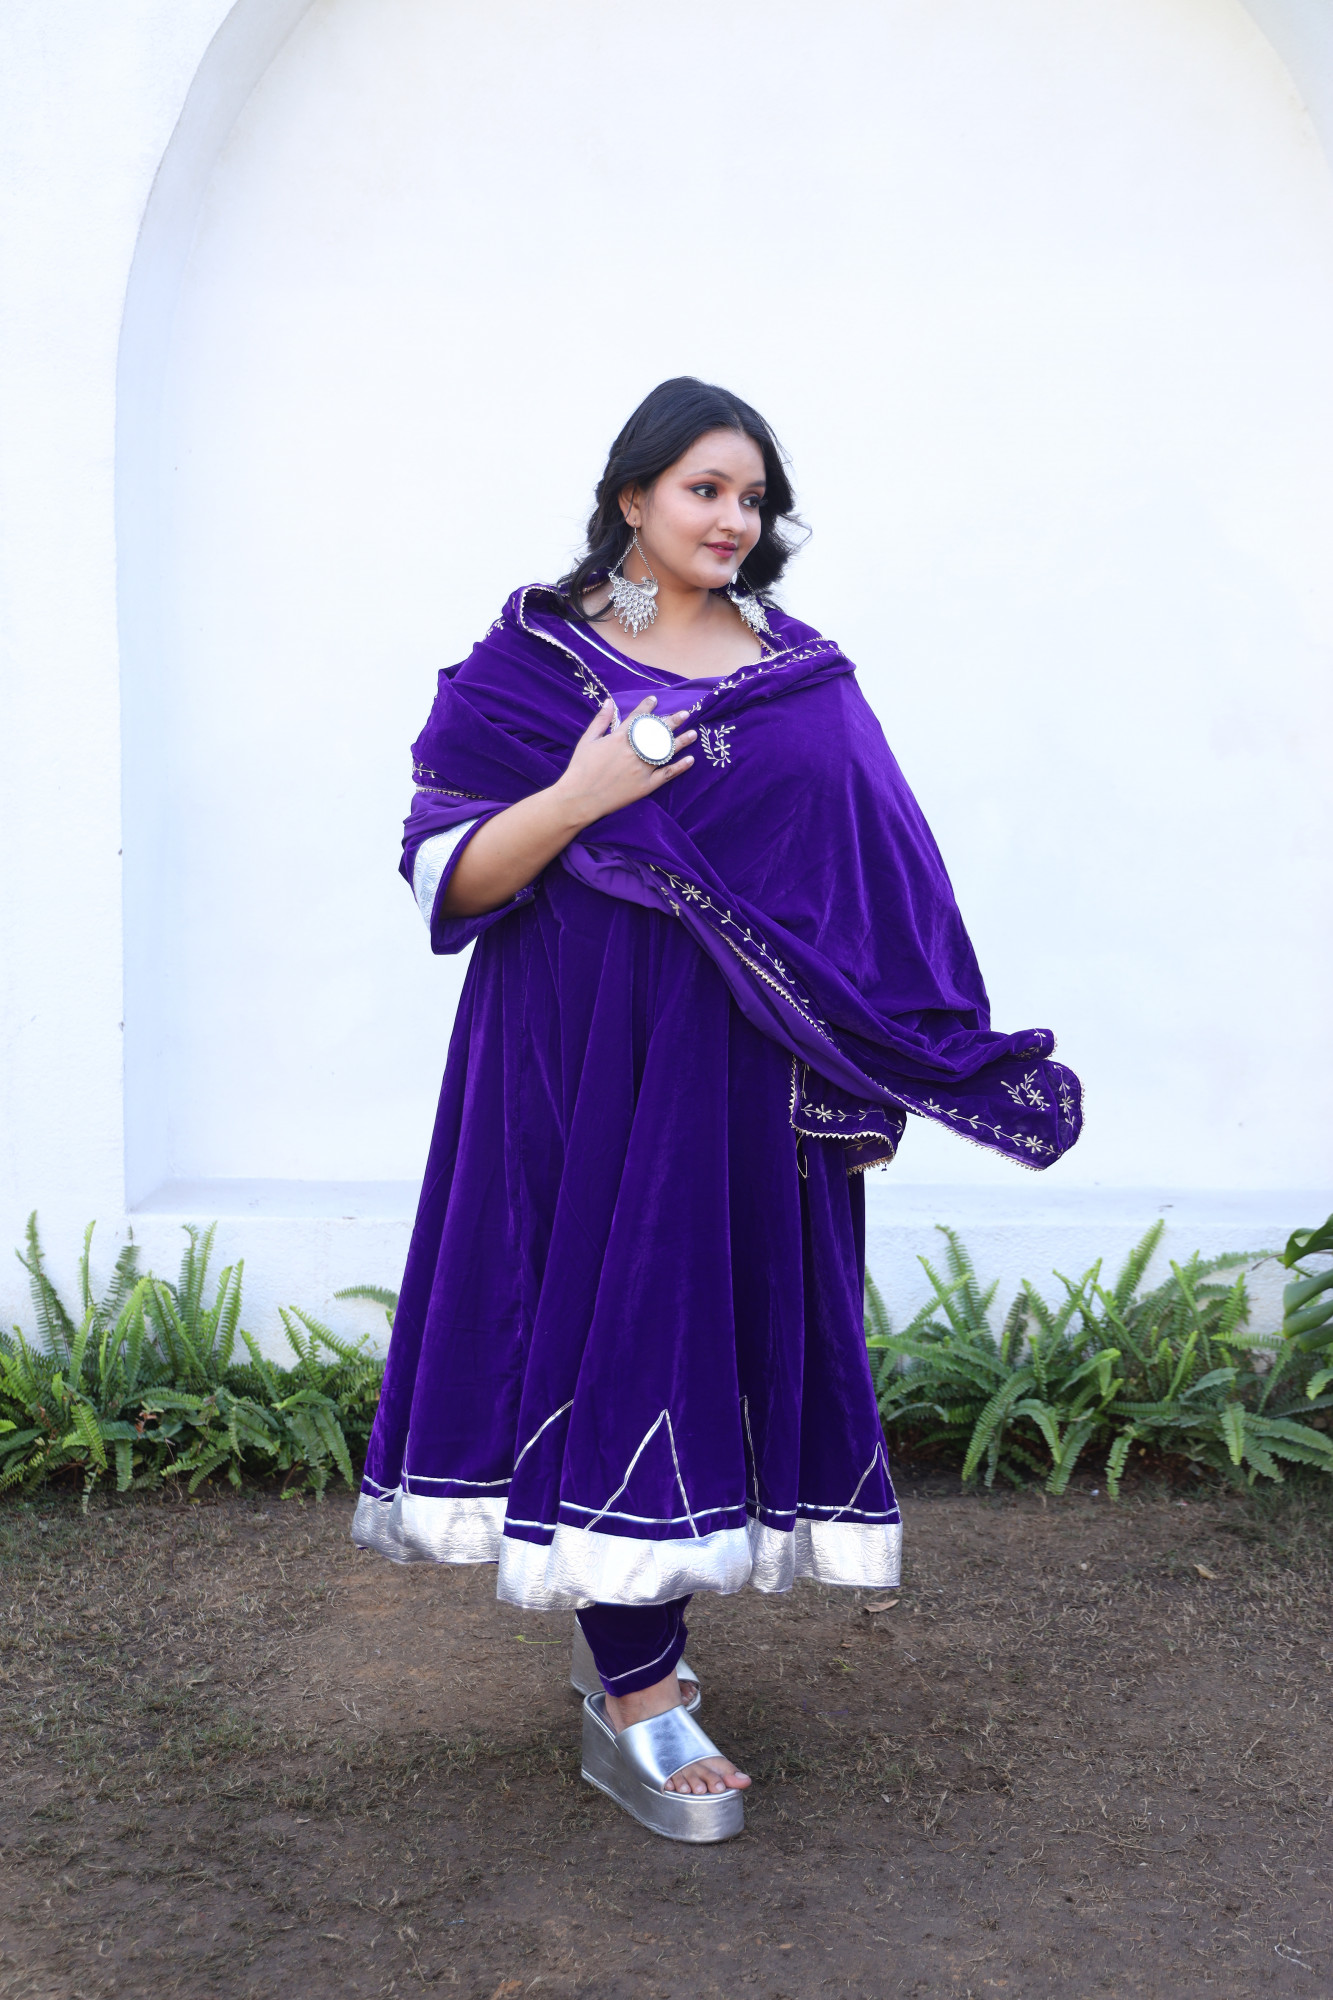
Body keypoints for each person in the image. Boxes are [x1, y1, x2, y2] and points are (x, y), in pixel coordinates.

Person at [353, 377, 1082, 1840]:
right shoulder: (530, 664)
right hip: (568, 1053)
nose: (732, 521)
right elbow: (451, 878)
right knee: (602, 1318)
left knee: (695, 1324)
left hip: (745, 1069)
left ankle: (631, 1657)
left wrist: (892, 1043)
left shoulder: (797, 675)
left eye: (752, 498)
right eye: (703, 489)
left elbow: (883, 877)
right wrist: (585, 790)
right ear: (632, 497)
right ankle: (636, 1692)